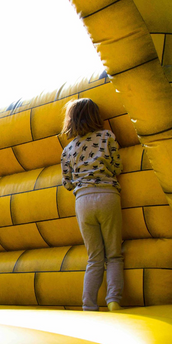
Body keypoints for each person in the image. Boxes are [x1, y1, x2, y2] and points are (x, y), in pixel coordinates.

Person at [60, 98, 124, 312]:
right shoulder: (107, 137)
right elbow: (117, 166)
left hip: (83, 201)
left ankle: (89, 306)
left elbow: (67, 183)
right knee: (113, 254)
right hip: (107, 195)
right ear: (96, 117)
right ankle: (113, 299)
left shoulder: (68, 150)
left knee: (94, 257)